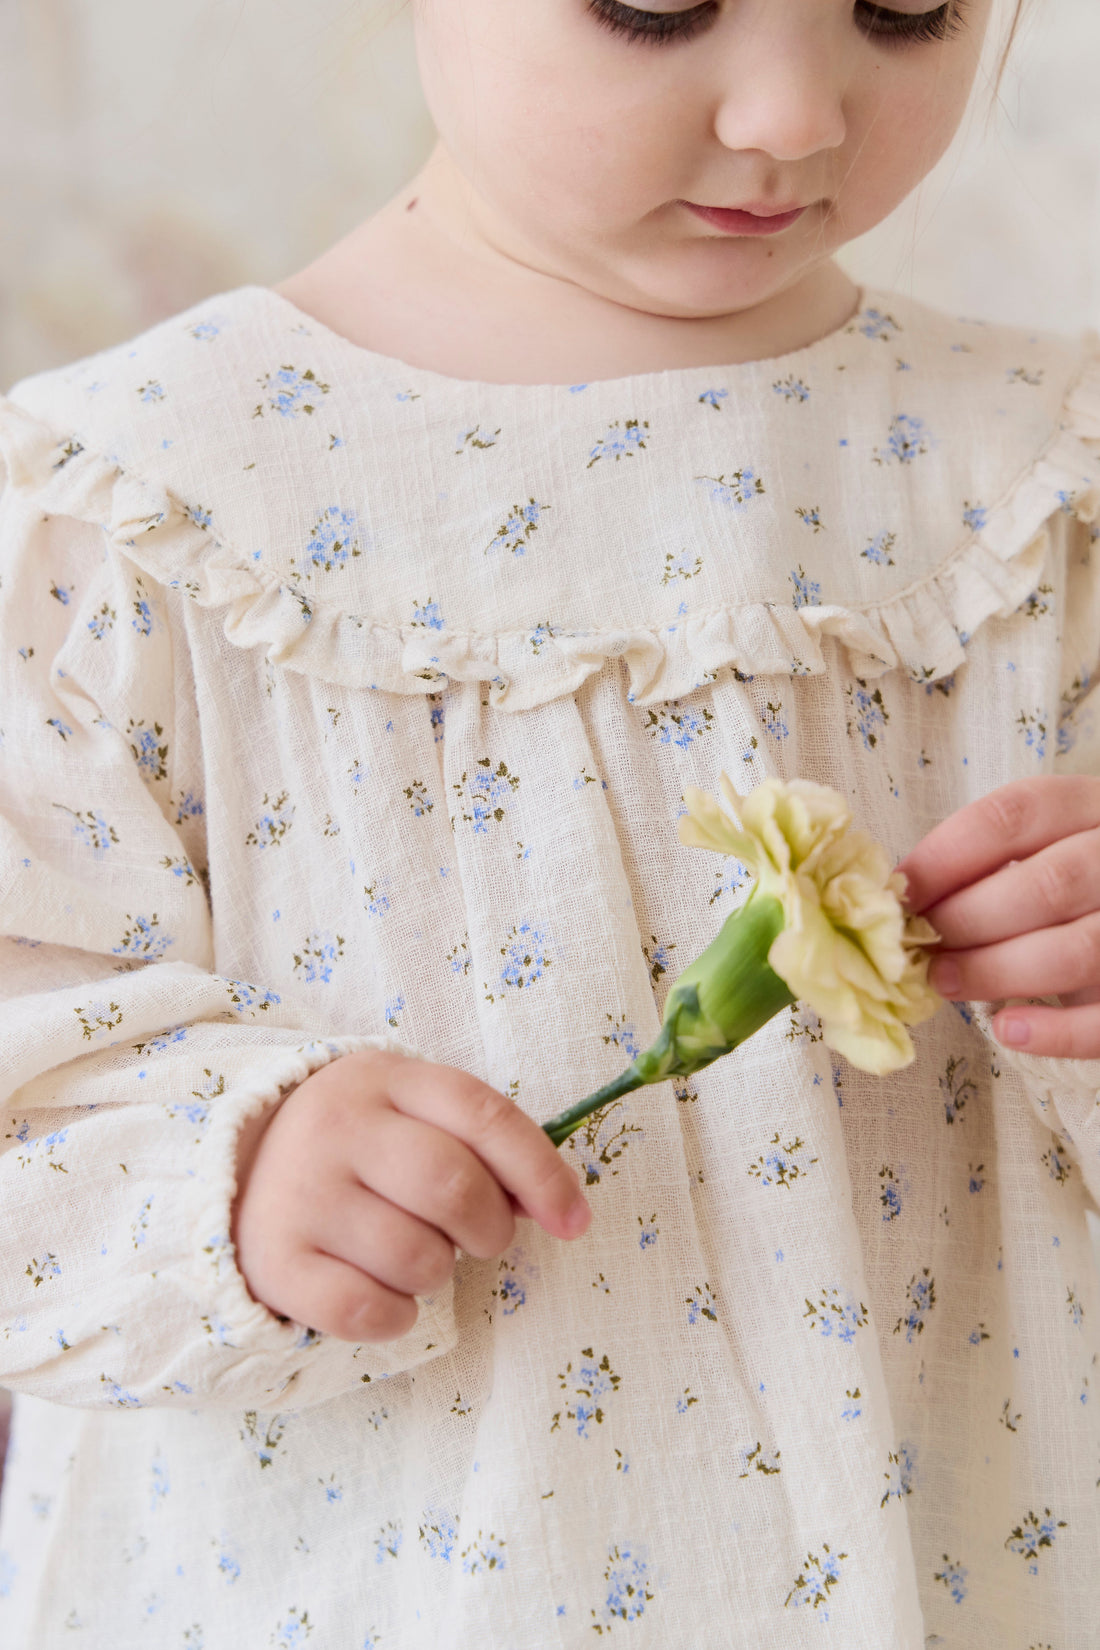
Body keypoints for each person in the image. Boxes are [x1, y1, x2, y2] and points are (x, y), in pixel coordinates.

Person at [0, 0, 1098, 1643]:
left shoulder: (1042, 486)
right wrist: (230, 1175)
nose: (798, 114)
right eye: (654, 5)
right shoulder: (135, 506)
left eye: (908, 6)